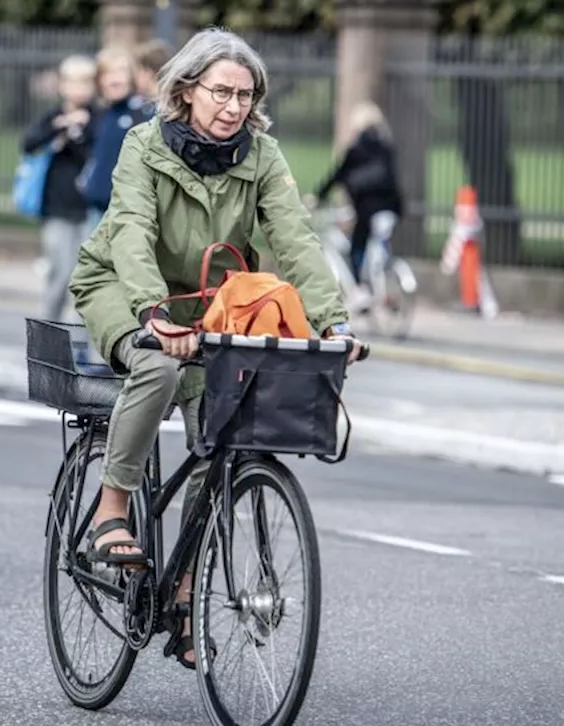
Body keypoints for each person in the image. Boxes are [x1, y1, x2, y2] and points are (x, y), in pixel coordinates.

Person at [67, 27, 360, 668]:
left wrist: (332, 323)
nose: (233, 107)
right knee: (157, 367)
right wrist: (149, 310)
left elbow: (295, 237)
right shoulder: (141, 146)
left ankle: (185, 591)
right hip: (122, 285)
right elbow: (134, 235)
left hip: (210, 307)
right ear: (186, 90)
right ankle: (112, 508)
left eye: (244, 95)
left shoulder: (262, 156)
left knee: (222, 439)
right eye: (221, 91)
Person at [21, 54, 97, 322]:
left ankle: (78, 347)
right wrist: (59, 128)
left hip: (88, 209)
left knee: (83, 280)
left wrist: (79, 134)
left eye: (85, 82)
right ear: (62, 85)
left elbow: (94, 156)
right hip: (56, 207)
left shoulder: (97, 118)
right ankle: (49, 334)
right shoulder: (54, 116)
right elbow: (29, 144)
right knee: (59, 274)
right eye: (73, 82)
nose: (78, 88)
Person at [306, 101, 404, 289]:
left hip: (367, 207)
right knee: (378, 243)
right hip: (391, 206)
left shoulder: (357, 149)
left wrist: (318, 196)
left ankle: (361, 288)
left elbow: (337, 175)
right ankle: (382, 275)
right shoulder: (387, 145)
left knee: (357, 246)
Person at [79, 46, 153, 237]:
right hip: (96, 210)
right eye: (108, 73)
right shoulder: (100, 114)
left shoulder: (143, 114)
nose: (114, 79)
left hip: (127, 214)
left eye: (121, 72)